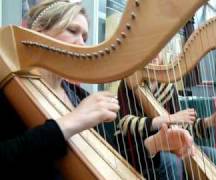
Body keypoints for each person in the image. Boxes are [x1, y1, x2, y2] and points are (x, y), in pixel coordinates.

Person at [0, 0, 193, 179]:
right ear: (39, 34)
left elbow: (110, 159)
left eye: (84, 36)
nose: (82, 43)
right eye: (73, 30)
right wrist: (69, 123)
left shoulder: (78, 95)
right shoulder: (10, 89)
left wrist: (154, 144)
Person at [107, 54, 216, 179]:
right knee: (172, 162)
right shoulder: (130, 82)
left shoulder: (168, 87)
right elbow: (125, 123)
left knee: (214, 155)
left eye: (157, 49)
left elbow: (181, 125)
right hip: (139, 147)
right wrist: (169, 118)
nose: (154, 54)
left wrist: (209, 121)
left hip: (168, 145)